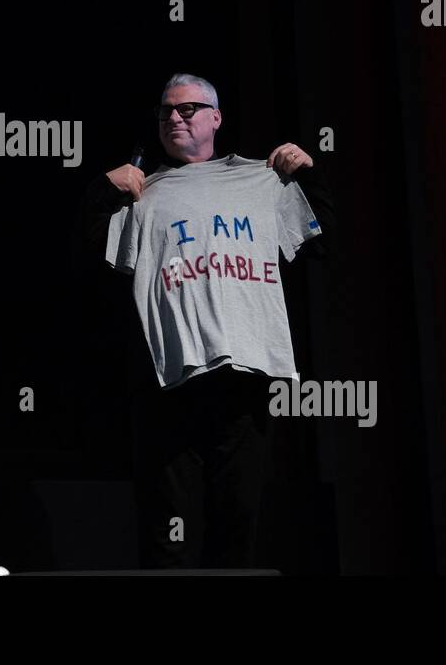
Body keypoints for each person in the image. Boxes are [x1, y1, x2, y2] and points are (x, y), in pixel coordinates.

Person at [82, 73, 335, 569]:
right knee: (166, 530)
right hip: (168, 382)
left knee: (237, 522)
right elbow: (88, 260)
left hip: (243, 375)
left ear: (216, 117)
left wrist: (307, 173)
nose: (174, 117)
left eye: (187, 109)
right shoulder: (143, 193)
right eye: (165, 111)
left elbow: (321, 241)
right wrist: (101, 190)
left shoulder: (262, 180)